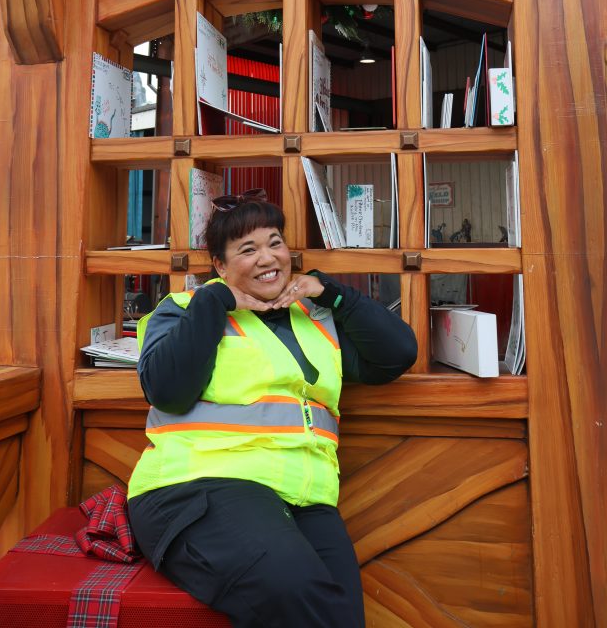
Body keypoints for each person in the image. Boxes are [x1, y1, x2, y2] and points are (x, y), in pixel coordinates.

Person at [128, 190, 417, 628]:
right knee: (294, 589)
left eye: (275, 242)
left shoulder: (313, 318)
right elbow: (167, 389)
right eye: (248, 249)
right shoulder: (186, 309)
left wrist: (335, 293)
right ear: (220, 266)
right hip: (197, 488)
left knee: (343, 614)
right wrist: (215, 300)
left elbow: (397, 354)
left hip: (304, 499)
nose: (268, 257)